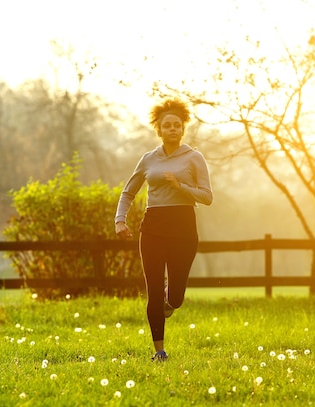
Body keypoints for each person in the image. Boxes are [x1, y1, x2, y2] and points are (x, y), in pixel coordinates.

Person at [114, 98, 213, 362]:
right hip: (154, 226)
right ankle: (159, 350)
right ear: (158, 129)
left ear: (183, 129)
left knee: (176, 295)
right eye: (166, 125)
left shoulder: (194, 158)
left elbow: (207, 197)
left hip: (184, 226)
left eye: (176, 125)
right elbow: (129, 191)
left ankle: (172, 301)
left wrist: (182, 187)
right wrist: (120, 220)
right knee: (154, 290)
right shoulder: (148, 160)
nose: (172, 129)